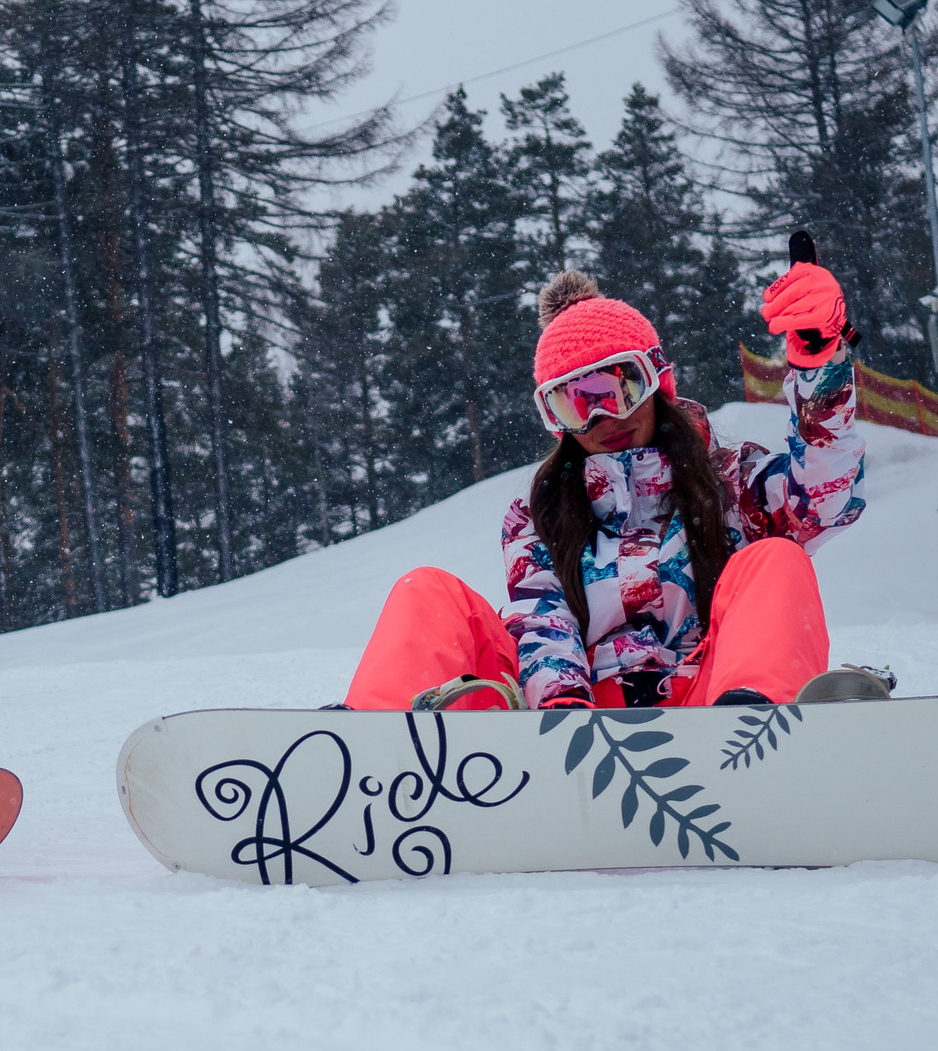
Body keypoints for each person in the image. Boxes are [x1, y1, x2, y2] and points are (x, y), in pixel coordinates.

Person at [342, 254, 885, 714]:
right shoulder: (540, 514)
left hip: (709, 703)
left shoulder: (729, 483)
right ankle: (371, 753)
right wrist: (563, 714)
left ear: (656, 380)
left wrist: (821, 369)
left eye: (618, 386)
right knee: (428, 591)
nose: (602, 416)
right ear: (554, 417)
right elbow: (542, 616)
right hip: (569, 725)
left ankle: (757, 727)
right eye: (574, 402)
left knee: (775, 558)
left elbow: (824, 498)